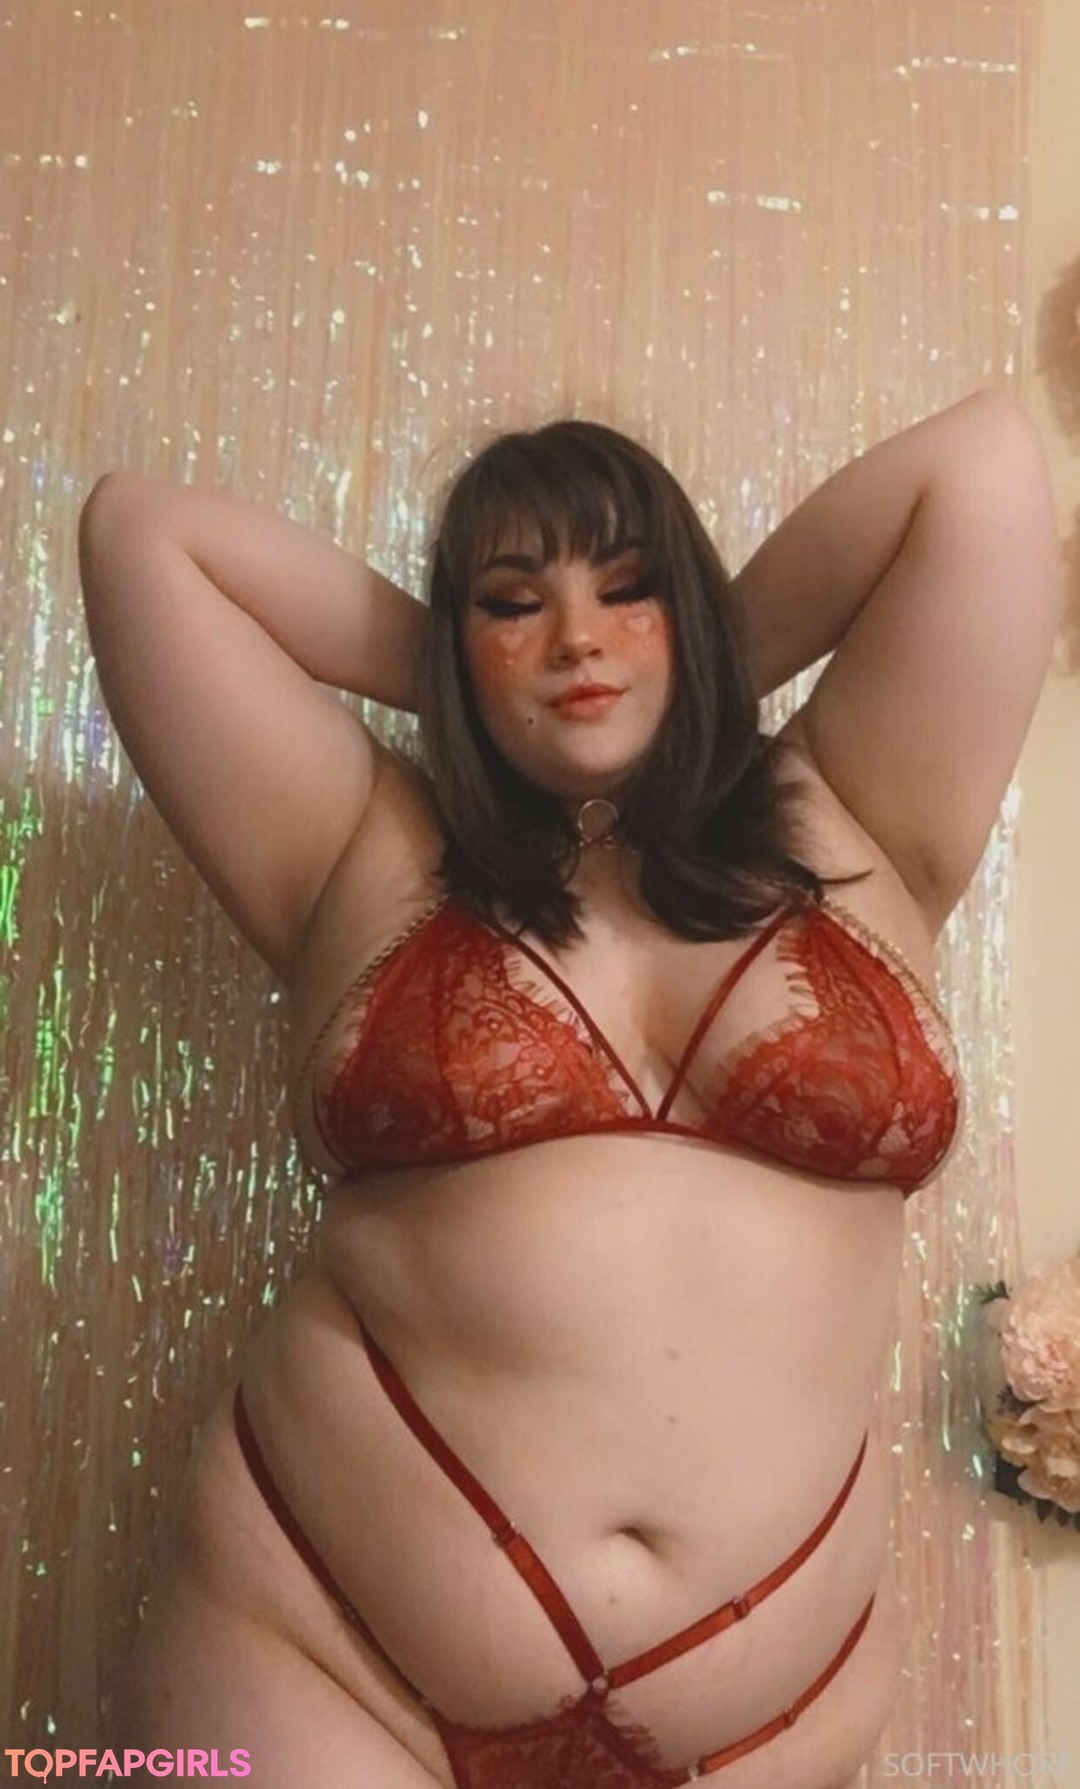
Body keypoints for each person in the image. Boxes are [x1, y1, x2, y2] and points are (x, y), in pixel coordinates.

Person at [77, 389, 1059, 1789]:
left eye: (629, 589)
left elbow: (986, 466)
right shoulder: (365, 849)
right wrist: (469, 681)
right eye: (511, 602)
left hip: (772, 1721)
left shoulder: (855, 824)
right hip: (320, 1651)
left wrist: (694, 665)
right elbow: (140, 537)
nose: (578, 637)